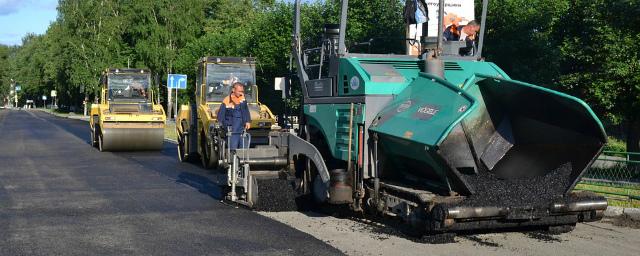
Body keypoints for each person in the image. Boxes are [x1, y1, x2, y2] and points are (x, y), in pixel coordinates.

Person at [218, 82, 252, 150]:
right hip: (232, 131)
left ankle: (243, 160)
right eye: (239, 91)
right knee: (233, 149)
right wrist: (226, 126)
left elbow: (246, 111)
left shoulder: (243, 99)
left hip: (242, 129)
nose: (241, 93)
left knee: (244, 150)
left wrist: (248, 121)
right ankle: (232, 160)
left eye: (242, 91)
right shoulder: (226, 100)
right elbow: (220, 116)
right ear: (233, 90)